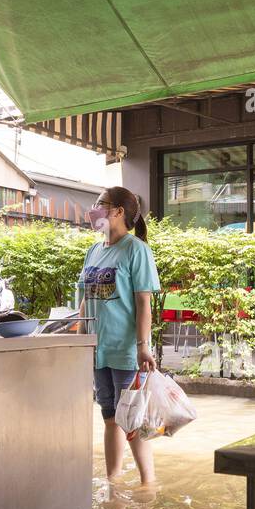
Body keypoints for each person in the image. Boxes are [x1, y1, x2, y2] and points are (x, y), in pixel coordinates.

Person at [78, 187, 160, 485]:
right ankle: (113, 483)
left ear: (118, 212)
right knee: (110, 416)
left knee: (131, 420)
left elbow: (143, 303)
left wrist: (143, 346)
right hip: (99, 349)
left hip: (126, 350)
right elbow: (86, 299)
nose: (94, 210)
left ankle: (147, 484)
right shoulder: (94, 250)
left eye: (100, 204)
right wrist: (81, 337)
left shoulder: (136, 249)